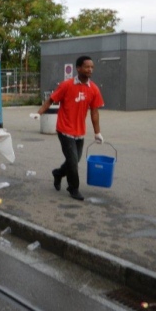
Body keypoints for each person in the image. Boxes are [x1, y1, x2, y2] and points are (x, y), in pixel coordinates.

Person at [35, 55, 105, 201]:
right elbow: (51, 100)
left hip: (80, 131)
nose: (90, 69)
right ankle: (73, 188)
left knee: (75, 160)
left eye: (92, 67)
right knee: (73, 161)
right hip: (64, 129)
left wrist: (97, 132)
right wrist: (39, 113)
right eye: (87, 67)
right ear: (78, 68)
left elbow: (94, 112)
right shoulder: (66, 85)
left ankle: (58, 173)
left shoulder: (93, 89)